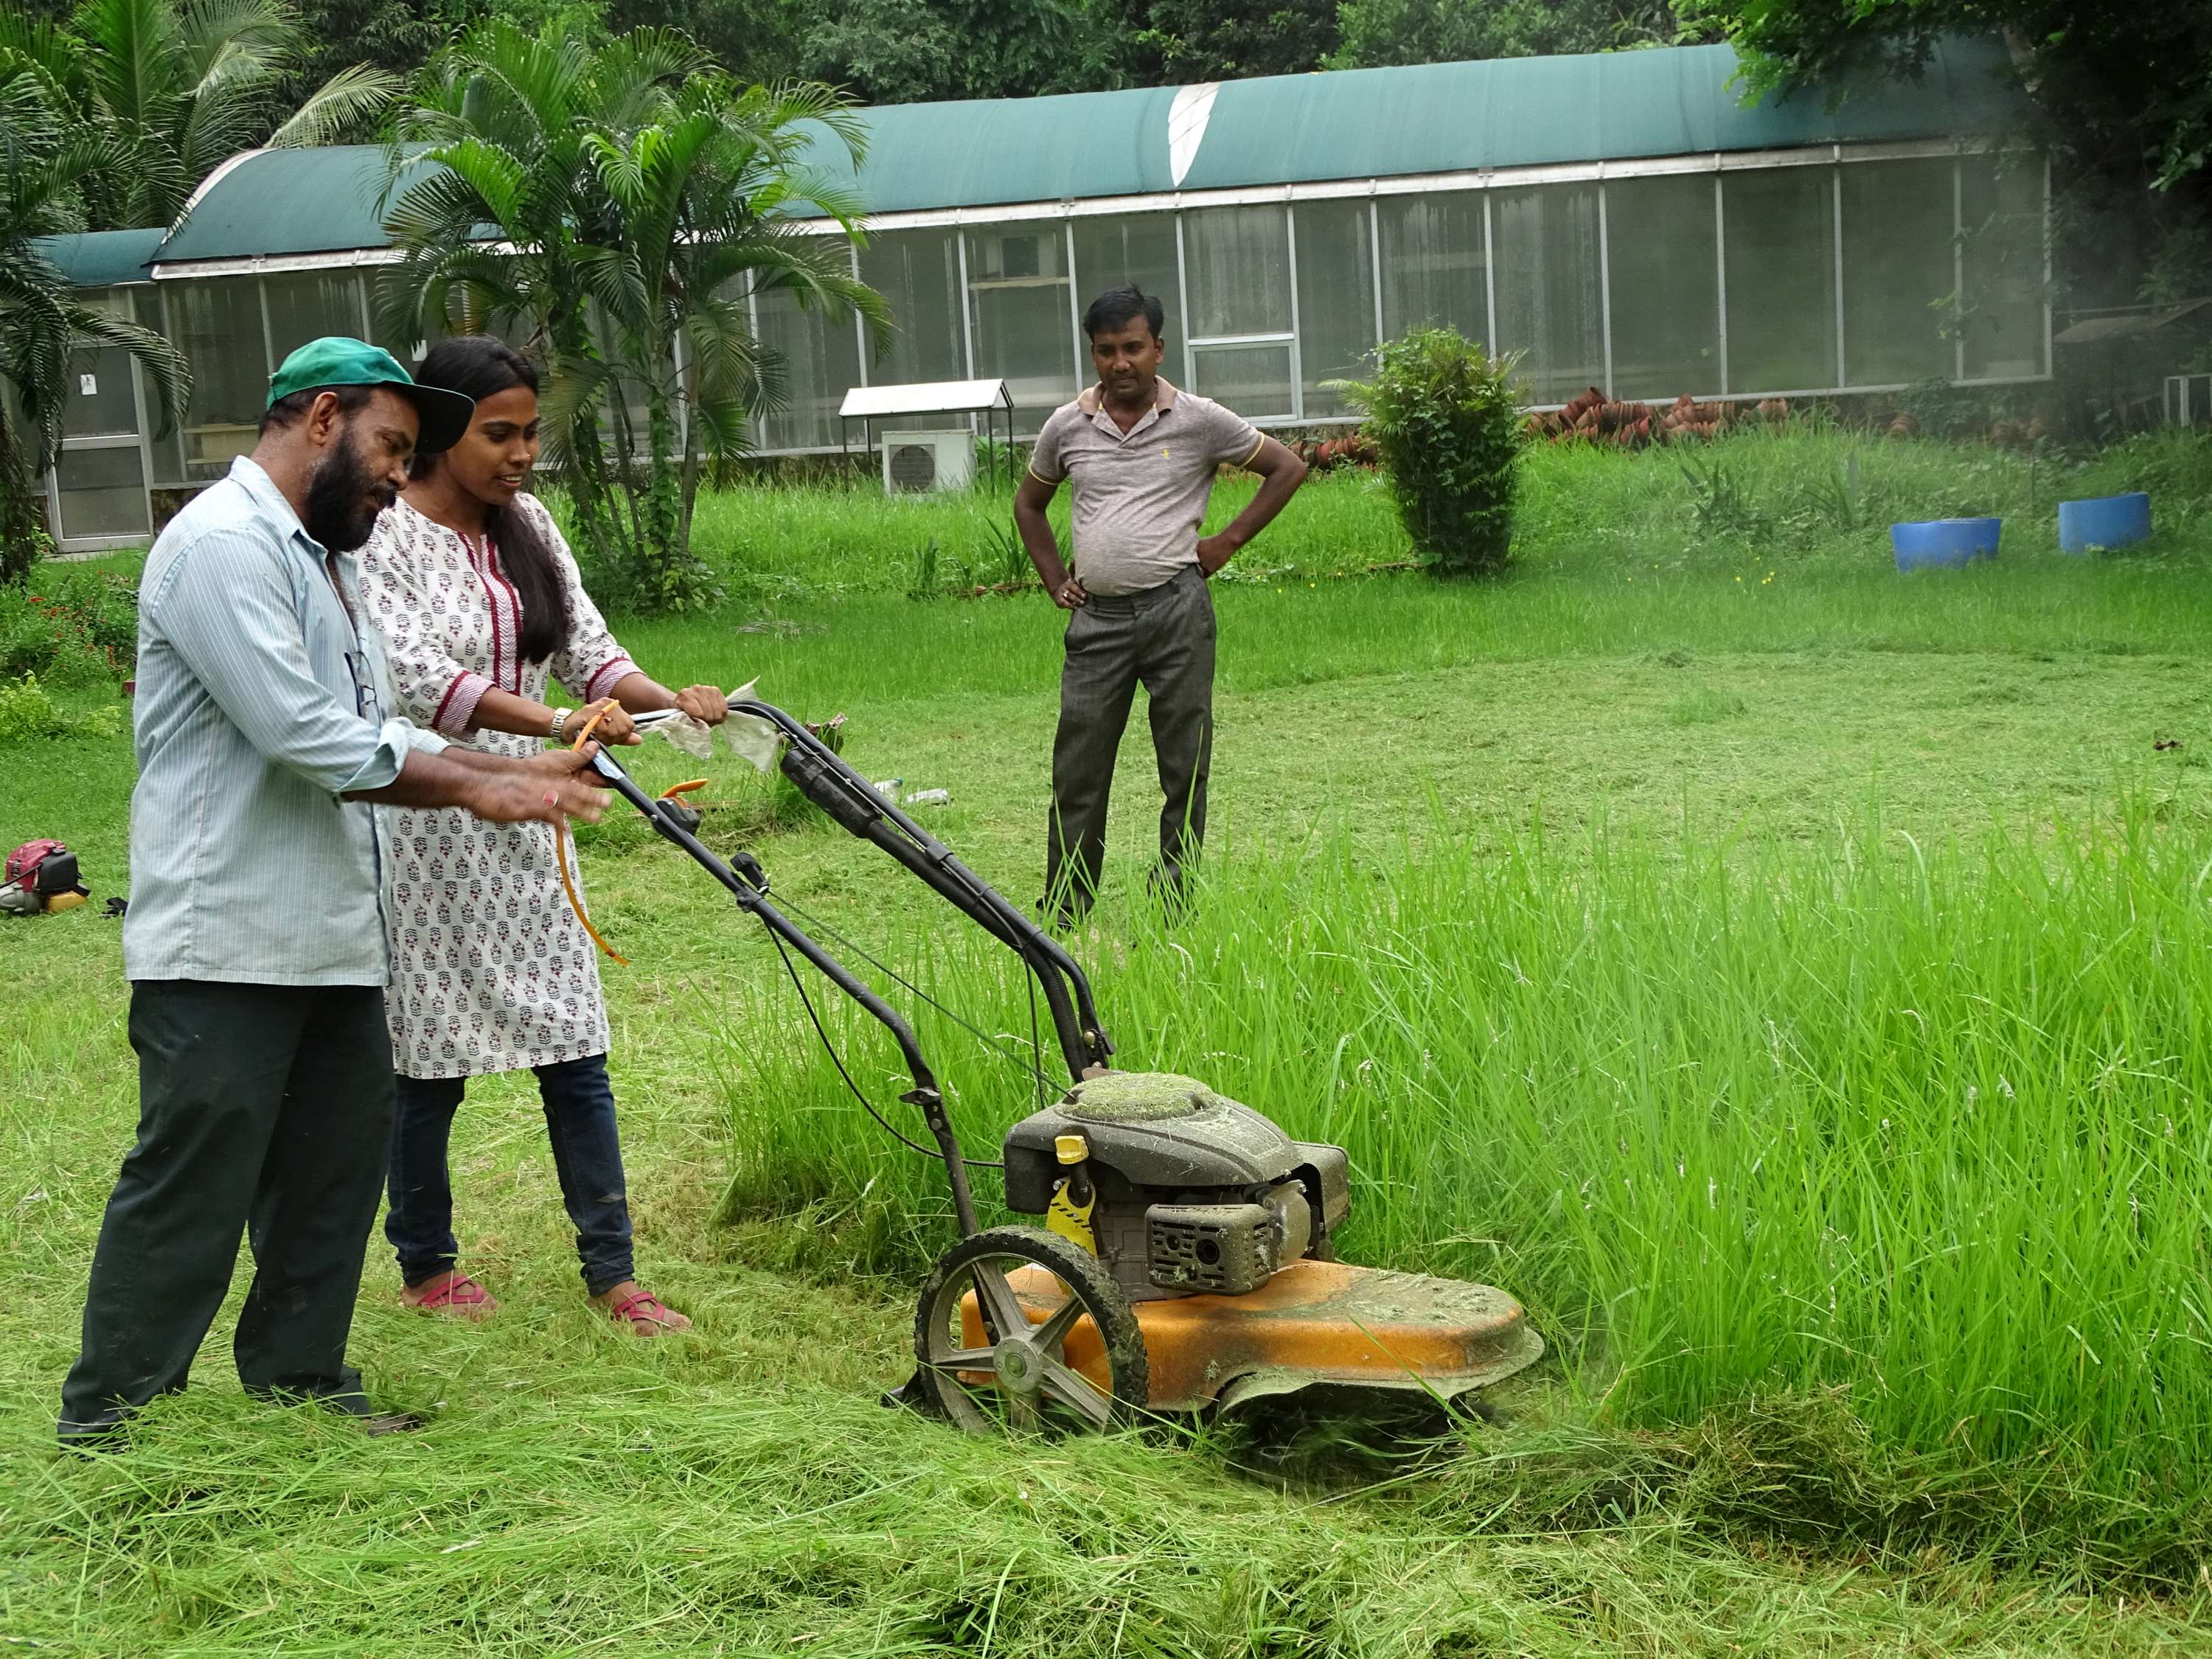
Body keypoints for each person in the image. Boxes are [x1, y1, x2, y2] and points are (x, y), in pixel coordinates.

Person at [59, 339, 609, 1449]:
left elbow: (384, 725)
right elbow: (308, 735)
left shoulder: (330, 562)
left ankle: (302, 1381)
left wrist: (519, 770)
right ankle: (114, 1420)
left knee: (329, 1180)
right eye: (392, 448)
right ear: (320, 419)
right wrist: (475, 791)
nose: (401, 478)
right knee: (193, 1183)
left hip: (339, 938)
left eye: (409, 456)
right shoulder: (220, 547)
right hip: (226, 943)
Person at [358, 335, 728, 1335]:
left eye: (532, 432)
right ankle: (426, 1262)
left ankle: (615, 1275)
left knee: (575, 1046)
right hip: (431, 819)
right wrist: (559, 726)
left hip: (535, 829)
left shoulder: (530, 526)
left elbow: (591, 657)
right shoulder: (384, 535)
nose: (523, 452)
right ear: (441, 432)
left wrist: (671, 699)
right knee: (424, 1058)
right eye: (500, 433)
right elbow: (426, 683)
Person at [1014, 284, 1309, 924]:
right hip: (1098, 624)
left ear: (1158, 349)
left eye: (1134, 348)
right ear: (1092, 354)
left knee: (1184, 764)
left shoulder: (1200, 419)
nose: (1121, 363)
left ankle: (1173, 901)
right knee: (1079, 769)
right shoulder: (1068, 425)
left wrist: (1226, 542)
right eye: (1106, 351)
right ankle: (1066, 907)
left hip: (1179, 612)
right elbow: (1028, 505)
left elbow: (1286, 468)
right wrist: (1051, 578)